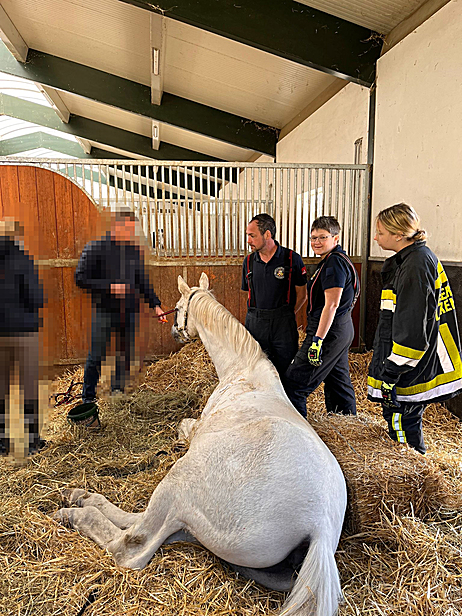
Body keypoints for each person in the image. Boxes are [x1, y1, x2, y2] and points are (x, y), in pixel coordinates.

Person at [367, 203, 462, 454]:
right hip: (417, 360)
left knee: (401, 422)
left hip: (412, 365)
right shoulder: (414, 258)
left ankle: (411, 468)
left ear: (399, 235)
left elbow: (412, 330)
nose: (376, 238)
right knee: (405, 418)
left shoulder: (415, 265)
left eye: (380, 232)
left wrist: (391, 373)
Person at [76, 210, 166, 404]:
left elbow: (143, 281)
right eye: (129, 229)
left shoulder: (133, 251)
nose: (132, 233)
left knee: (124, 354)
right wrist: (109, 287)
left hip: (129, 312)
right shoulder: (95, 248)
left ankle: (117, 391)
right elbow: (80, 278)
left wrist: (156, 305)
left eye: (134, 229)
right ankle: (88, 397)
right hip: (105, 311)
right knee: (96, 355)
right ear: (116, 226)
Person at [282, 216, 359, 418]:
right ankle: (346, 423)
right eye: (313, 238)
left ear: (336, 238)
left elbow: (331, 304)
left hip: (328, 332)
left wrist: (317, 340)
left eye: (322, 237)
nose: (316, 242)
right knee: (337, 381)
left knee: (294, 383)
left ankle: (296, 429)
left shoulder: (334, 264)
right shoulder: (334, 260)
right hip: (341, 329)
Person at [241, 214, 307, 375]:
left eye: (252, 235)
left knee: (287, 371)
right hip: (255, 324)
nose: (248, 240)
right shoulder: (248, 262)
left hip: (283, 326)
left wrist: (287, 315)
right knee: (256, 371)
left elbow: (302, 294)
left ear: (267, 234)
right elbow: (248, 293)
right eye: (247, 235)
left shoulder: (291, 259)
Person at [0, 219, 45, 456]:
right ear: (16, 236)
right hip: (23, 331)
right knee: (28, 387)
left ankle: (1, 442)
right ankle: (32, 441)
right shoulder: (22, 258)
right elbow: (36, 297)